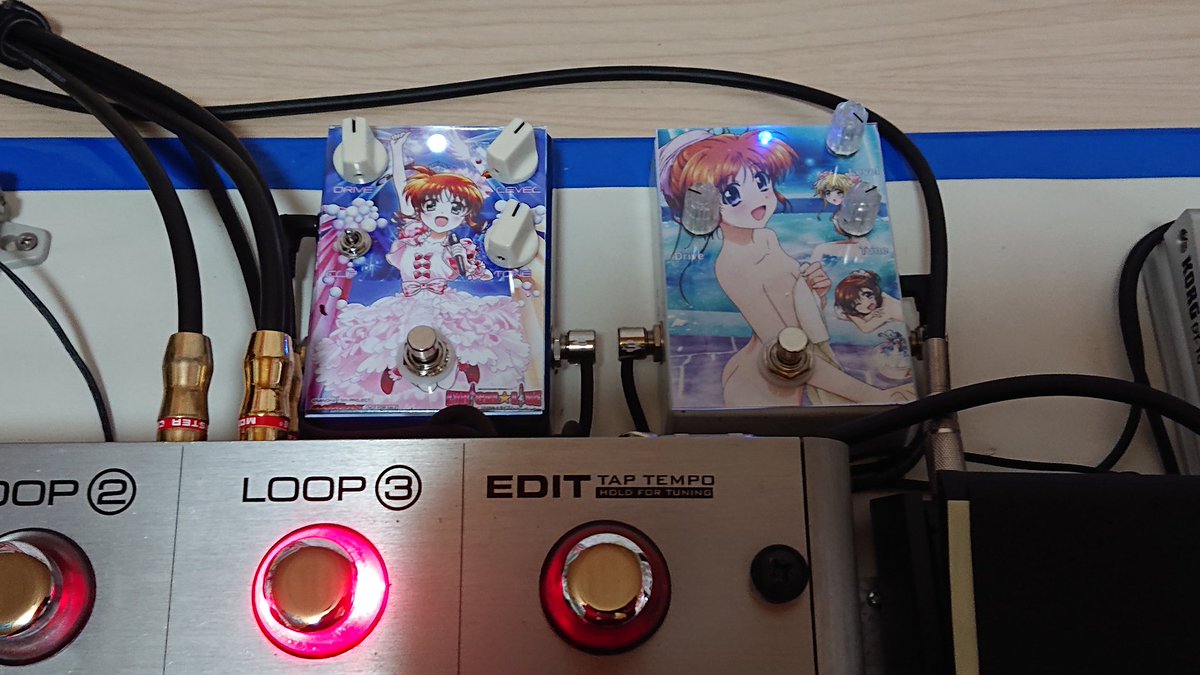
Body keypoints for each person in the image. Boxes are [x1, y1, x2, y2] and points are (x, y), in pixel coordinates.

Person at [659, 130, 912, 406]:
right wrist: (874, 396)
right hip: (758, 384)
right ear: (696, 207)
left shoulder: (766, 237)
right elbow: (784, 348)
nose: (757, 200)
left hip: (790, 370)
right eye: (731, 194)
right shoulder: (732, 266)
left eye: (760, 181)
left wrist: (815, 294)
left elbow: (792, 310)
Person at [312, 159, 530, 406]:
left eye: (455, 208)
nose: (442, 215)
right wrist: (396, 153)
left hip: (442, 299)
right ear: (419, 208)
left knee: (457, 333)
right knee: (394, 336)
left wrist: (462, 259)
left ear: (466, 214)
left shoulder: (457, 247)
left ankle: (463, 365)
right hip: (408, 300)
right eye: (431, 205)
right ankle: (395, 372)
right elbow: (401, 187)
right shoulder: (410, 239)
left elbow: (472, 272)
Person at [833, 270, 905, 333]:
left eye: (867, 295)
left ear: (874, 290)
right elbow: (866, 318)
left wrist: (850, 314)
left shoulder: (886, 307)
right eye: (857, 304)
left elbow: (866, 328)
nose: (866, 302)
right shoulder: (880, 300)